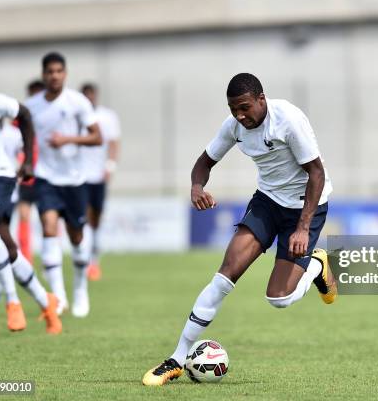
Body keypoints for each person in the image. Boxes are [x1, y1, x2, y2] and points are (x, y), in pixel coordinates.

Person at [142, 73, 337, 385]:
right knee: (225, 273)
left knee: (279, 298)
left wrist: (302, 229)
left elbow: (316, 173)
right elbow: (204, 162)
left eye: (245, 107)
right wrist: (196, 186)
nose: (240, 116)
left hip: (305, 205)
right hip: (268, 202)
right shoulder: (234, 126)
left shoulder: (287, 119)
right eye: (234, 109)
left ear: (262, 99)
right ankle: (177, 359)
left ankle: (317, 265)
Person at [0, 63, 62, 334]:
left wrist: (30, 160)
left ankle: (12, 302)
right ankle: (47, 302)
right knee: (6, 248)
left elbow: (26, 114)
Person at [25, 52, 102, 317]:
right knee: (48, 227)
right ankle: (58, 297)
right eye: (50, 71)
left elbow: (97, 137)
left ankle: (80, 288)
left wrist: (68, 139)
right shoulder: (32, 106)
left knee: (76, 236)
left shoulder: (77, 102)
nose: (54, 76)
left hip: (74, 180)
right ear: (44, 74)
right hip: (45, 177)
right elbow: (23, 137)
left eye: (59, 71)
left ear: (65, 74)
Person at [80, 82, 121, 281]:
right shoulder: (77, 115)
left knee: (96, 217)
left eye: (92, 94)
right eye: (86, 95)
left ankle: (94, 257)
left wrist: (110, 166)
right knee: (85, 217)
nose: (89, 98)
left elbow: (113, 142)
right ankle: (87, 262)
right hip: (80, 176)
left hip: (99, 175)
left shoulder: (107, 116)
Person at [16, 79, 45, 263]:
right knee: (24, 216)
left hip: (45, 176)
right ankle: (27, 257)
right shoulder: (21, 117)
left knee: (48, 218)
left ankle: (49, 257)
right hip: (27, 175)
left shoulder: (50, 115)